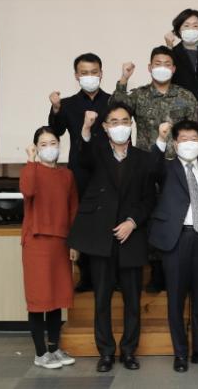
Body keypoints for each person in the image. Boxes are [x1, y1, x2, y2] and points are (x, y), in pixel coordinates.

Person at [66, 104, 156, 373]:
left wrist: (132, 222)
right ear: (105, 127)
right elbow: (81, 157)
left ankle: (129, 351)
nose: (120, 126)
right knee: (102, 299)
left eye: (125, 121)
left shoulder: (143, 158)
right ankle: (105, 352)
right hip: (101, 238)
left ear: (132, 125)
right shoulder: (96, 153)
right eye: (114, 122)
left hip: (131, 237)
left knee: (132, 301)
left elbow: (149, 198)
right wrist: (85, 128)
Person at [110, 45, 198, 292]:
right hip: (146, 166)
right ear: (149, 67)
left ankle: (178, 270)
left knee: (176, 216)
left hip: (177, 166)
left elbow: (194, 131)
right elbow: (114, 109)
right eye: (157, 63)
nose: (162, 68)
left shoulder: (186, 96)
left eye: (167, 64)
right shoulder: (139, 95)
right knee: (150, 216)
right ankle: (156, 273)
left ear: (174, 68)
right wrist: (123, 79)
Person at [148, 120, 198, 372]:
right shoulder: (167, 168)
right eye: (183, 139)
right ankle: (180, 354)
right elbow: (151, 170)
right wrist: (160, 140)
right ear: (175, 143)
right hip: (177, 240)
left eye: (194, 139)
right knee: (176, 300)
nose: (189, 143)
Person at [48, 52, 110, 292]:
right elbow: (56, 130)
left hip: (107, 168)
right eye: (84, 73)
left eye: (94, 72)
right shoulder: (68, 104)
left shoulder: (112, 101)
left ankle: (110, 276)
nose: (89, 76)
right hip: (80, 171)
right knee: (81, 220)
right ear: (76, 75)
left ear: (101, 73)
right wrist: (55, 108)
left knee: (108, 219)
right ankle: (86, 276)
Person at [20, 126, 78, 369]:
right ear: (35, 147)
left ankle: (54, 349)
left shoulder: (67, 175)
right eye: (43, 144)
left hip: (61, 242)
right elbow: (28, 190)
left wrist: (74, 243)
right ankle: (40, 353)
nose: (49, 148)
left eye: (53, 143)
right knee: (39, 298)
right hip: (37, 243)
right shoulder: (30, 170)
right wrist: (31, 160)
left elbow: (73, 210)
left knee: (57, 297)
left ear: (59, 145)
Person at [164, 8, 198, 102]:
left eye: (195, 26)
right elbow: (164, 81)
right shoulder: (172, 53)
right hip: (179, 106)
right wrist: (169, 48)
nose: (191, 29)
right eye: (186, 26)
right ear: (178, 30)